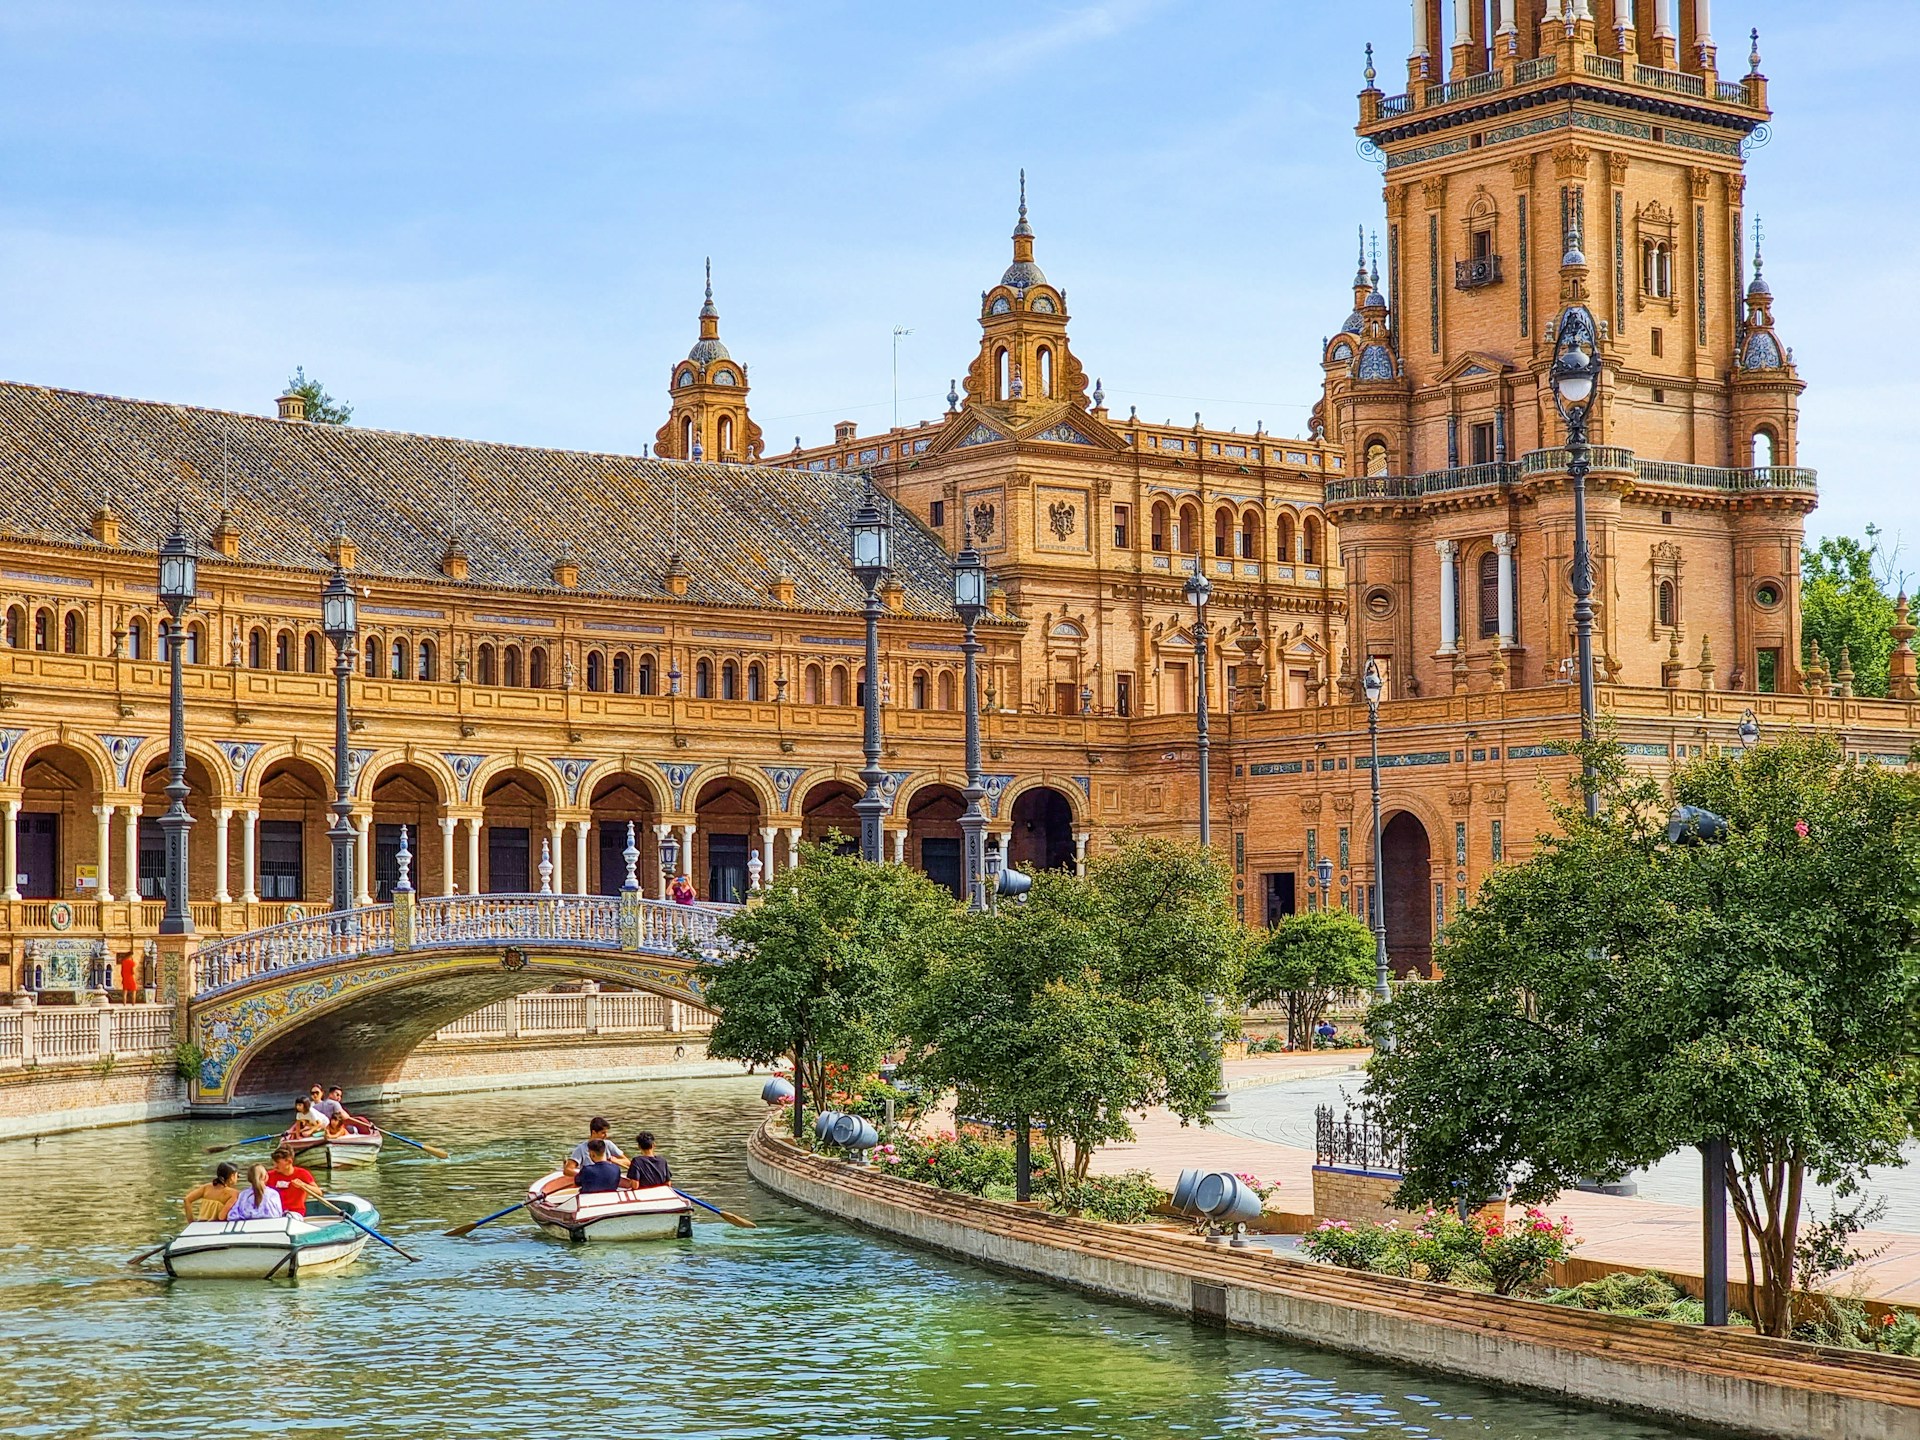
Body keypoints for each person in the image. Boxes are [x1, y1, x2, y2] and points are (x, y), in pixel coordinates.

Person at [265, 1146, 321, 1217]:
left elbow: (318, 1193)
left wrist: (303, 1185)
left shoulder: (302, 1173)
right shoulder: (269, 1175)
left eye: (277, 1163)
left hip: (295, 1213)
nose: (274, 1166)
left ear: (289, 1162)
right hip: (275, 1212)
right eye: (274, 1163)